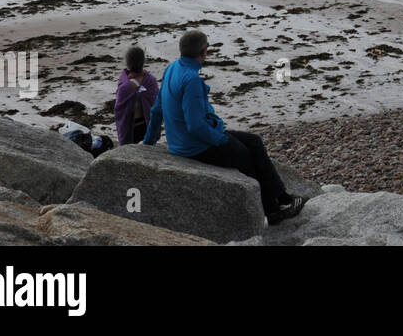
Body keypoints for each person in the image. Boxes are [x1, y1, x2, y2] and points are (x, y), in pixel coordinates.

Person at [143, 31, 306, 224]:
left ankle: (283, 196)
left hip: (182, 140)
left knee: (255, 141)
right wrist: (222, 140)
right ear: (204, 52)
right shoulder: (191, 80)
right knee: (243, 154)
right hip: (193, 146)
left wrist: (149, 141)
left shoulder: (172, 68)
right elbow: (195, 126)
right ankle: (272, 211)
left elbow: (157, 110)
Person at [114, 46, 158, 146]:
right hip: (148, 127)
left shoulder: (124, 87)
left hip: (131, 129)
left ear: (127, 63)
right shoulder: (151, 81)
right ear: (143, 61)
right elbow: (157, 104)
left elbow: (118, 111)